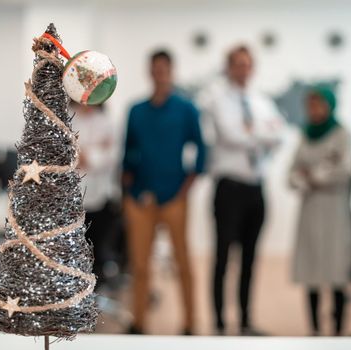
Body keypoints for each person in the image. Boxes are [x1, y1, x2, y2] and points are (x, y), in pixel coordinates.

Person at [199, 45, 282, 335]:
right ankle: (220, 323)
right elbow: (230, 135)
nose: (243, 69)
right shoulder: (218, 99)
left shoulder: (261, 101)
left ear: (253, 67)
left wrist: (252, 132)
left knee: (250, 258)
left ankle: (245, 321)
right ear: (229, 67)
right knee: (223, 257)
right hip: (229, 188)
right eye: (237, 64)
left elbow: (279, 134)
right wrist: (261, 133)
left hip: (256, 188)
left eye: (247, 64)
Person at [122, 50, 206, 335]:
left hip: (174, 198)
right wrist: (128, 192)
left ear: (171, 71)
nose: (160, 73)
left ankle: (190, 323)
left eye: (164, 68)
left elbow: (201, 152)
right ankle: (139, 322)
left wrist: (185, 189)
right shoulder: (136, 111)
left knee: (182, 262)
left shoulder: (186, 109)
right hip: (140, 199)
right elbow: (127, 155)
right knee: (140, 264)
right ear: (150, 71)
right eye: (155, 68)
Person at [288, 86, 351, 336]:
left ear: (329, 106)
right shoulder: (305, 135)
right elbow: (292, 175)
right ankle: (315, 331)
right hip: (310, 212)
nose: (314, 110)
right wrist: (309, 177)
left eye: (319, 105)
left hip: (335, 214)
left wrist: (313, 175)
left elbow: (344, 170)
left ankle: (338, 332)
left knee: (337, 273)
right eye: (310, 105)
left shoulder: (342, 134)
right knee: (311, 273)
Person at [72, 103, 121, 281]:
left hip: (100, 200)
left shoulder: (107, 122)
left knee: (96, 252)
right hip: (70, 201)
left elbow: (112, 156)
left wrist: (85, 155)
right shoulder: (65, 118)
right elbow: (62, 155)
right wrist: (96, 149)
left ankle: (94, 297)